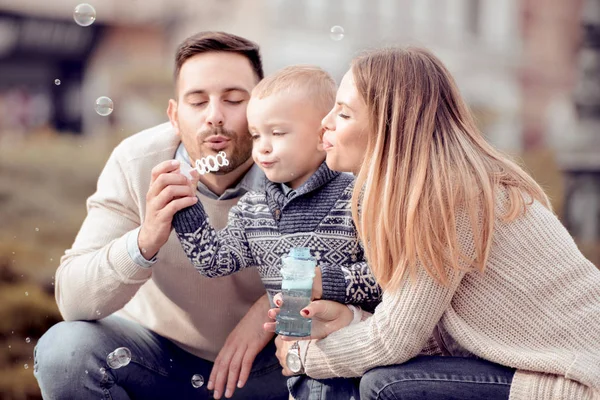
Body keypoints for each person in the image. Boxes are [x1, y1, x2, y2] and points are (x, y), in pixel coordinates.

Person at [267, 47, 600, 400]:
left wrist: (302, 358)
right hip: (549, 369)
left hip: (575, 380)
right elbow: (433, 335)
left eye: (345, 113)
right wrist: (350, 320)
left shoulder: (450, 199)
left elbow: (392, 342)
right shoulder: (444, 190)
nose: (326, 121)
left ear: (389, 129)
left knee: (386, 386)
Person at [33, 31, 289, 400]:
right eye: (197, 102)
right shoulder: (137, 161)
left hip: (266, 366)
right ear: (174, 115)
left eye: (234, 100)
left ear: (262, 106)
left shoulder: (297, 163)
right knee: (66, 351)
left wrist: (267, 312)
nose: (215, 116)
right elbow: (73, 299)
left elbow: (344, 266)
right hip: (157, 363)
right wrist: (145, 240)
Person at [173, 64, 381, 400]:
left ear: (322, 136)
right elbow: (214, 260)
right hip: (297, 363)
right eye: (256, 135)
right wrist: (184, 205)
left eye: (278, 134)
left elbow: (387, 277)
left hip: (358, 355)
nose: (262, 148)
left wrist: (323, 282)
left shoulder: (358, 197)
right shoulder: (253, 208)